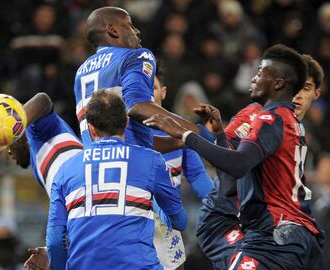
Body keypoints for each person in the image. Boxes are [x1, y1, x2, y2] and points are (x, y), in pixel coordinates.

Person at [144, 44, 324, 269]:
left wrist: (186, 134)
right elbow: (225, 153)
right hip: (293, 229)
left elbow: (235, 163)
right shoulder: (289, 122)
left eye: (260, 73)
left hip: (272, 230)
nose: (253, 77)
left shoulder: (269, 118)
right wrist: (216, 135)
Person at [196, 53, 324, 269]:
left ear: (316, 94)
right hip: (232, 218)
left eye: (306, 88)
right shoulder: (257, 115)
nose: (298, 95)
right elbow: (229, 154)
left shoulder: (295, 127)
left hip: (274, 228)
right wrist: (189, 135)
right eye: (296, 87)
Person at [46, 90, 187, 270]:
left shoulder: (65, 170)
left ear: (91, 128)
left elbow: (55, 241)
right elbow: (180, 221)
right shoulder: (152, 161)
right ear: (126, 122)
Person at [74, 6, 211, 149]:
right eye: (130, 25)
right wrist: (200, 132)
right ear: (112, 30)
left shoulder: (81, 71)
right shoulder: (135, 56)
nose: (137, 31)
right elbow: (137, 107)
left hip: (92, 162)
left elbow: (132, 139)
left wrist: (185, 139)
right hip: (131, 163)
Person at [0, 92, 83, 270]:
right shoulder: (36, 165)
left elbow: (43, 100)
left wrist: (4, 140)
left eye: (8, 143)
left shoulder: (38, 130)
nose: (9, 153)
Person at [152, 63, 214, 269]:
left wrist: (217, 203)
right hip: (135, 222)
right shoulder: (123, 128)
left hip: (169, 222)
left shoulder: (179, 126)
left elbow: (196, 174)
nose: (147, 93)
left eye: (152, 87)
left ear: (164, 92)